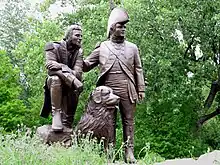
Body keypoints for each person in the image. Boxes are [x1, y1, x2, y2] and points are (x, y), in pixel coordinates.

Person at [83, 8, 145, 163]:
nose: (123, 29)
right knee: (108, 123)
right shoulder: (102, 47)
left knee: (129, 121)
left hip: (127, 87)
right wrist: (77, 53)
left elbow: (138, 68)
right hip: (107, 91)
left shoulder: (133, 47)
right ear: (111, 28)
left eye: (125, 26)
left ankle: (129, 152)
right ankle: (109, 153)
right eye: (120, 26)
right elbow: (86, 65)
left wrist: (141, 88)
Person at [40, 24, 83, 132]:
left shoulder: (79, 52)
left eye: (81, 36)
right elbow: (50, 68)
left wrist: (61, 67)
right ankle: (56, 114)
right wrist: (71, 77)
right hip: (54, 84)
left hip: (70, 87)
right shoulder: (53, 46)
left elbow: (78, 74)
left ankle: (68, 121)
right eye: (77, 35)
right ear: (68, 36)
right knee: (55, 78)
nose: (80, 38)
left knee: (72, 86)